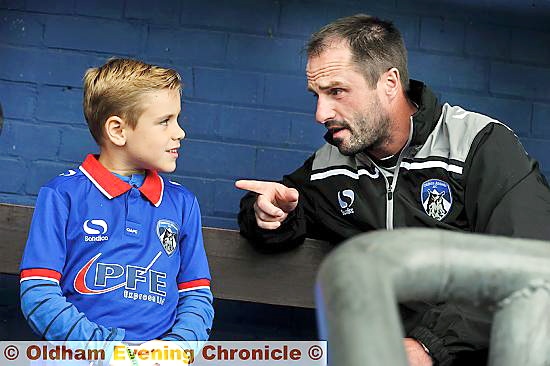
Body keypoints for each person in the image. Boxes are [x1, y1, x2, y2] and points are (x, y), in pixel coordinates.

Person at [236, 14, 550, 366]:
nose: (321, 113)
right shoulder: (332, 165)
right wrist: (267, 215)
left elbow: (533, 263)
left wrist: (429, 345)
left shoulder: (480, 146)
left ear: (389, 84)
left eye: (336, 91)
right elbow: (285, 207)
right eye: (317, 95)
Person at [19, 58, 214, 363]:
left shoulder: (182, 203)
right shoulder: (63, 194)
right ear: (118, 130)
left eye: (177, 119)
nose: (180, 132)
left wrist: (177, 348)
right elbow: (38, 292)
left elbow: (196, 295)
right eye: (165, 121)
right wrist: (108, 351)